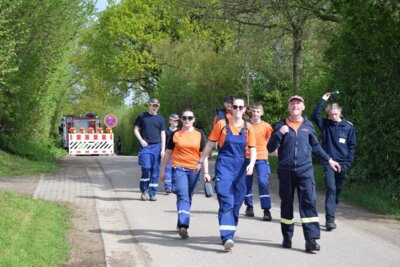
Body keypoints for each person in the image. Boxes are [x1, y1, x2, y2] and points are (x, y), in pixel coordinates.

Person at [267, 95, 341, 253]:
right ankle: (287, 237)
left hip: (305, 170)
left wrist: (329, 160)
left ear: (303, 107)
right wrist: (280, 133)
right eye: (292, 103)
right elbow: (270, 147)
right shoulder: (281, 124)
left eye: (298, 103)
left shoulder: (308, 126)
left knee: (308, 203)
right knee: (286, 204)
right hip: (286, 171)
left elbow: (316, 146)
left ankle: (311, 240)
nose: (295, 106)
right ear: (288, 108)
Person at [194, 98, 257, 252]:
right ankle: (227, 236)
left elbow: (253, 148)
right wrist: (200, 160)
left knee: (237, 203)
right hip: (225, 165)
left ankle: (229, 229)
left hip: (242, 166)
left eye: (240, 107)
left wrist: (252, 164)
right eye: (235, 106)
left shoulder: (248, 127)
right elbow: (209, 144)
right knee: (226, 199)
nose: (237, 109)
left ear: (244, 109)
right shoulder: (221, 125)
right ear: (231, 109)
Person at [160, 109, 211, 239]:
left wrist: (206, 172)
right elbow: (168, 153)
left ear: (194, 119)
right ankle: (184, 225)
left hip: (194, 169)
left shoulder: (199, 134)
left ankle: (180, 220)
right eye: (184, 118)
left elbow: (203, 154)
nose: (187, 120)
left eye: (190, 118)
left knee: (188, 196)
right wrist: (162, 169)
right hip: (179, 168)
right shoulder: (176, 134)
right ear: (181, 120)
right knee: (183, 195)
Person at [311, 92, 357, 231]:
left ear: (340, 113)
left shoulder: (348, 127)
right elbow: (314, 116)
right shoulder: (325, 124)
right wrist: (322, 100)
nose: (333, 117)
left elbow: (352, 146)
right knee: (330, 189)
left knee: (337, 190)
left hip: (343, 163)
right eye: (331, 114)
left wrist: (348, 163)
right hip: (328, 162)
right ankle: (330, 220)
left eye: (335, 114)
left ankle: (334, 201)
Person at [244, 103, 274, 221]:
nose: (255, 113)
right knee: (247, 182)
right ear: (251, 112)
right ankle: (249, 206)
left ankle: (266, 210)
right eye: (254, 111)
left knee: (262, 181)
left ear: (262, 113)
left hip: (261, 157)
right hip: (247, 156)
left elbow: (270, 140)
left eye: (258, 111)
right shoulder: (245, 125)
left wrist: (276, 151)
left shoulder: (266, 126)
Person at [134, 98, 166, 201]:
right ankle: (144, 190)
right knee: (146, 168)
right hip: (145, 147)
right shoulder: (142, 116)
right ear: (149, 105)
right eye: (153, 105)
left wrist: (163, 149)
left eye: (156, 106)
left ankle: (152, 193)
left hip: (157, 147)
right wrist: (141, 140)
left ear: (158, 107)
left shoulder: (160, 119)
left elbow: (163, 134)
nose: (154, 107)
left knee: (155, 171)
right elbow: (136, 129)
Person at [164, 114, 180, 194]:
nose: (176, 122)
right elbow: (163, 143)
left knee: (176, 170)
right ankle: (168, 187)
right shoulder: (166, 131)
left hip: (178, 154)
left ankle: (175, 186)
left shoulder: (180, 131)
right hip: (168, 153)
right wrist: (163, 152)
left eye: (177, 120)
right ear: (170, 121)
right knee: (168, 169)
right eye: (174, 120)